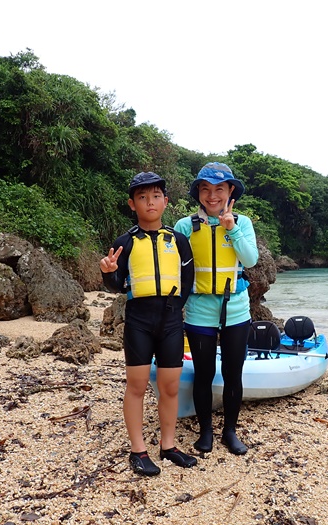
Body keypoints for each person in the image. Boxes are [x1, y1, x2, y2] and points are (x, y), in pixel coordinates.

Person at [100, 172, 197, 476]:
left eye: (156, 196)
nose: (150, 202)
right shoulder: (124, 242)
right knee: (137, 385)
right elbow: (115, 286)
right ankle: (138, 450)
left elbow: (188, 279)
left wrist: (175, 310)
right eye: (142, 197)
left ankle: (168, 446)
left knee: (169, 387)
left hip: (170, 320)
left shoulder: (178, 240)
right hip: (139, 320)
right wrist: (108, 273)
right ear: (132, 204)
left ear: (166, 201)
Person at [174, 162, 259, 455]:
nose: (212, 196)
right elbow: (174, 267)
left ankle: (230, 432)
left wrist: (231, 229)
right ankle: (206, 432)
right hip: (199, 311)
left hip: (235, 310)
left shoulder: (243, 223)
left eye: (219, 189)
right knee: (204, 373)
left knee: (233, 372)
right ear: (198, 192)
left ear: (230, 191)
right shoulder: (185, 227)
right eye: (206, 189)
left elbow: (249, 260)